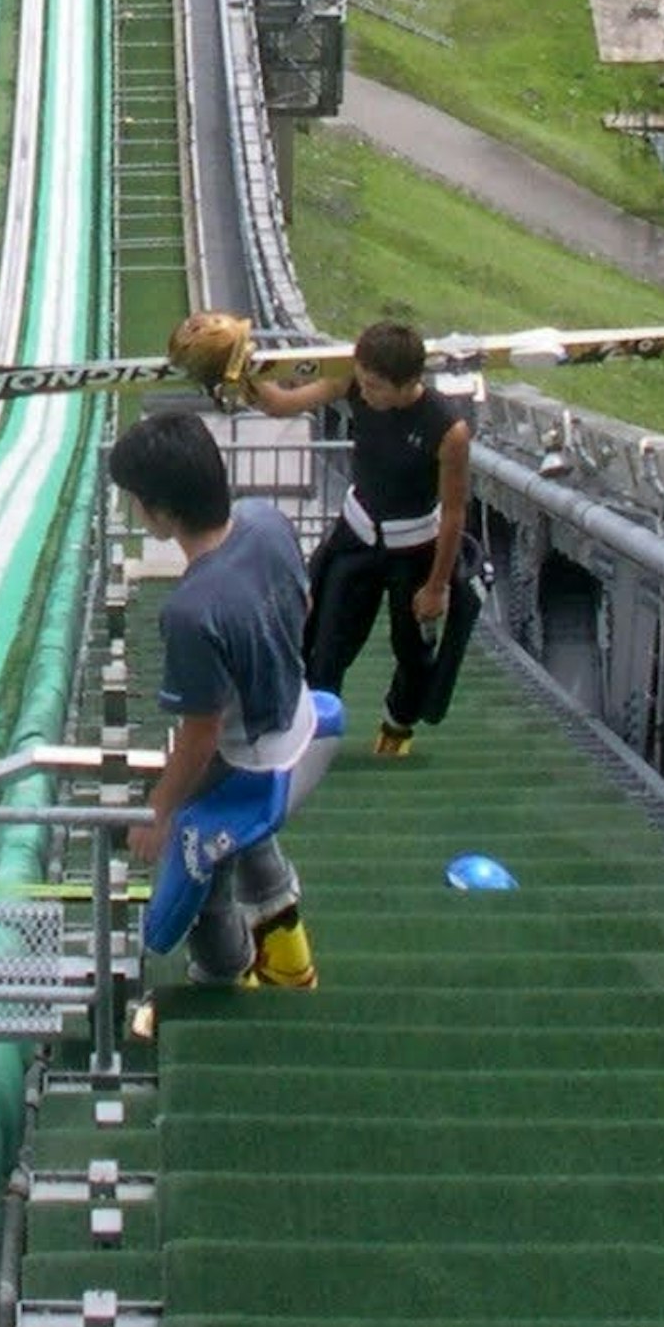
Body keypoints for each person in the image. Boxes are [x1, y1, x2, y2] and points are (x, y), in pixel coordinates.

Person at [110, 407, 334, 993]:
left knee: (200, 858)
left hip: (250, 758)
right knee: (246, 829)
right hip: (304, 724)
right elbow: (303, 605)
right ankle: (289, 953)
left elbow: (201, 738)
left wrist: (158, 814)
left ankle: (222, 971)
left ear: (161, 511)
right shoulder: (267, 521)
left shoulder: (191, 611)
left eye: (135, 499)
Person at [243, 318, 474, 759]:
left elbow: (454, 512)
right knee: (325, 640)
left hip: (415, 550)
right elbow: (280, 404)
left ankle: (396, 729)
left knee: (411, 651)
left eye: (375, 387)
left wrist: (437, 586)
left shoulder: (448, 430)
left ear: (408, 384)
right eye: (362, 382)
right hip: (356, 536)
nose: (363, 394)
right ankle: (312, 740)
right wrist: (242, 375)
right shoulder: (354, 384)